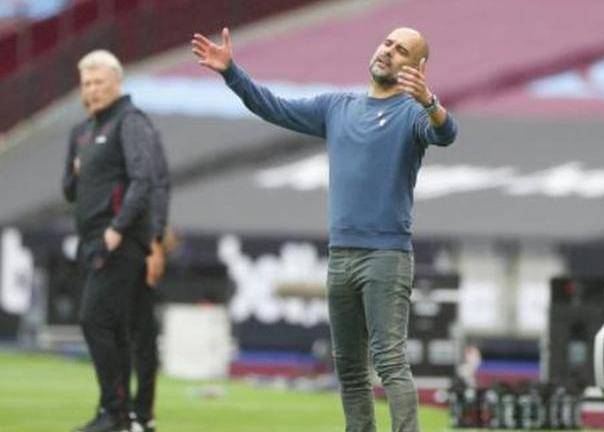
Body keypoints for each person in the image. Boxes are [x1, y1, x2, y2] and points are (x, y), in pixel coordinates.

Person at [191, 26, 457, 432]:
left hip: (386, 256)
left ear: (417, 67)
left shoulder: (411, 114)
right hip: (341, 254)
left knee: (389, 361)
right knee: (348, 368)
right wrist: (231, 72)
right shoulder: (338, 106)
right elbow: (272, 107)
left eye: (401, 50)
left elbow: (445, 133)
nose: (388, 51)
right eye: (387, 43)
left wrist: (430, 101)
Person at [63, 49, 154, 432]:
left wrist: (117, 230)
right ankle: (121, 414)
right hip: (90, 242)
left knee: (94, 319)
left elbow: (143, 179)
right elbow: (69, 190)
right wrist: (77, 170)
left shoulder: (129, 122)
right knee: (112, 327)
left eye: (99, 82)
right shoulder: (82, 132)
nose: (92, 89)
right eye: (86, 83)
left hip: (119, 242)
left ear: (117, 82)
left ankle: (114, 411)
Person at [127, 104, 170, 432]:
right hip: (104, 245)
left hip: (137, 244)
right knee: (99, 324)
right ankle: (115, 408)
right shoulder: (87, 133)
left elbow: (158, 187)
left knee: (142, 332)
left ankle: (142, 413)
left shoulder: (140, 132)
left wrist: (154, 241)